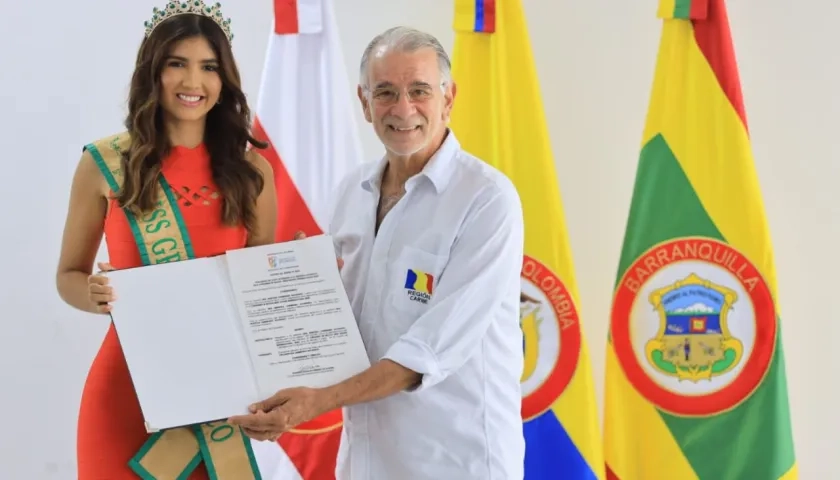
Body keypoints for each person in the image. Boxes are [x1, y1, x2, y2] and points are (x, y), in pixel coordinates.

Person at [229, 26, 526, 479]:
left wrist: (316, 401)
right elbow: (338, 324)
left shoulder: (487, 200)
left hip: (457, 461)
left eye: (419, 91)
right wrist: (292, 288)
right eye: (385, 92)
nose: (403, 109)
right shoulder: (352, 191)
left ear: (448, 98)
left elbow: (428, 350)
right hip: (365, 460)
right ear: (364, 103)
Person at [55, 3, 276, 479]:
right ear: (152, 72)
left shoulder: (251, 172)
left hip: (219, 400)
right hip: (126, 392)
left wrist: (295, 273)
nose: (192, 82)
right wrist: (92, 294)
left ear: (225, 80)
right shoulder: (105, 163)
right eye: (176, 63)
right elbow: (68, 276)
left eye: (208, 67)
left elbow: (261, 294)